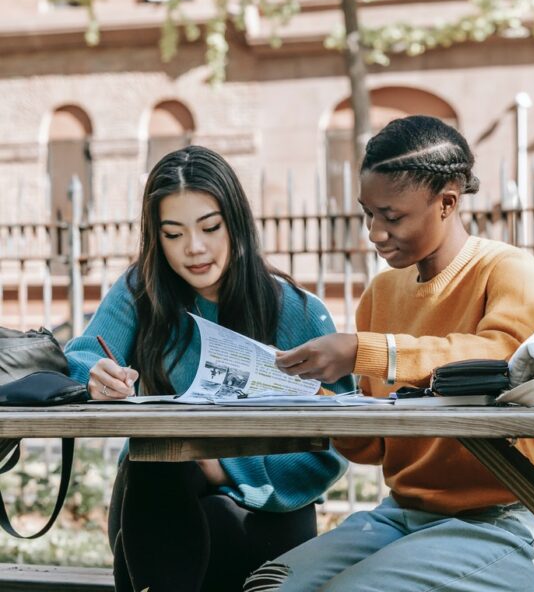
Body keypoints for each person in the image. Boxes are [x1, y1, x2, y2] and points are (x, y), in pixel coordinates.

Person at [246, 115, 534, 592]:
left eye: (392, 216)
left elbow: (504, 357)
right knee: (268, 586)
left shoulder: (506, 269)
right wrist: (314, 399)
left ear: (447, 202)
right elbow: (378, 445)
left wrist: (367, 351)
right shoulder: (381, 294)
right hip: (404, 515)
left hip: (510, 519)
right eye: (368, 213)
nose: (374, 232)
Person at [65, 146, 353, 592]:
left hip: (268, 509)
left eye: (210, 227)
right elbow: (79, 355)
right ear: (156, 238)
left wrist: (222, 469)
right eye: (173, 234)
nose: (194, 249)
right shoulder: (140, 293)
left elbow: (335, 443)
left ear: (235, 222)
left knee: (213, 520)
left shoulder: (296, 311)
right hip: (157, 493)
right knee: (160, 460)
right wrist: (94, 376)